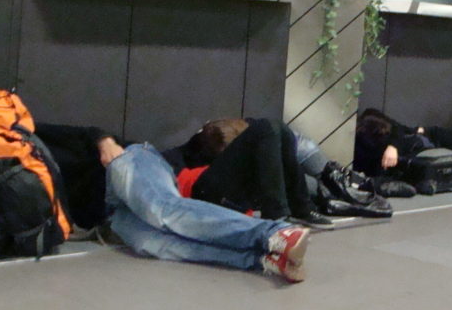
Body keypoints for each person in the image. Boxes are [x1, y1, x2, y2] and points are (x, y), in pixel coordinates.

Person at [98, 136, 310, 283]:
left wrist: (104, 142)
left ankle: (273, 233)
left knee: (160, 208)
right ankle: (264, 259)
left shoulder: (65, 136)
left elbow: (91, 134)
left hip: (128, 160)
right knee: (155, 244)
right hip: (108, 215)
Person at [166, 118, 332, 228]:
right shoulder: (182, 154)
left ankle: (301, 208)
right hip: (199, 192)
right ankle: (277, 215)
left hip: (226, 196)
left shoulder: (250, 148)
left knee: (279, 128)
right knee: (267, 125)